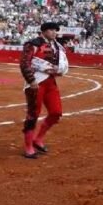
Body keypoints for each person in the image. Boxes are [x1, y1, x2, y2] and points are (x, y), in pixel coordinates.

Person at [19, 22, 68, 159]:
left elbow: (61, 65)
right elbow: (24, 63)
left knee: (56, 112)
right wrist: (31, 80)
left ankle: (38, 139)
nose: (54, 32)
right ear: (44, 31)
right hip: (36, 83)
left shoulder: (57, 47)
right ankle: (28, 146)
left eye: (55, 30)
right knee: (33, 114)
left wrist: (60, 71)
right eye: (51, 30)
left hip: (51, 82)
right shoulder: (33, 44)